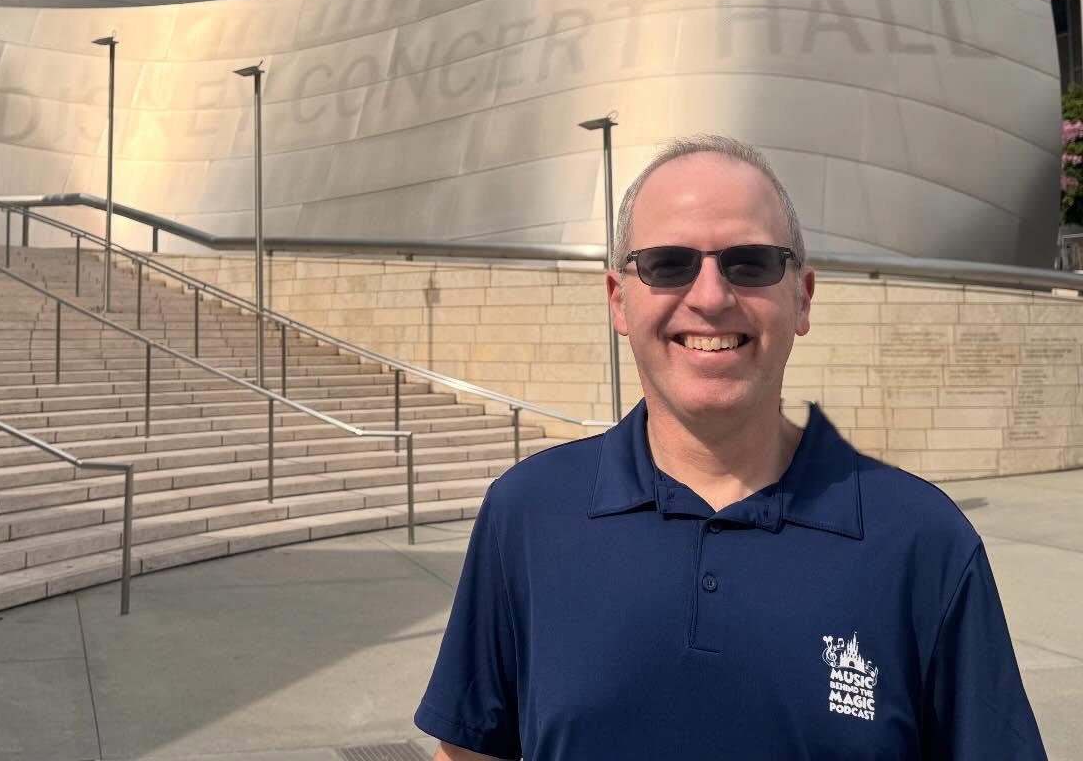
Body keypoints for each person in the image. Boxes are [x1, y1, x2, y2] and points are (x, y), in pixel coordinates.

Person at [415, 135, 1046, 760]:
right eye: (668, 263)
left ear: (801, 297)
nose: (711, 297)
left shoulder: (923, 541)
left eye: (750, 262)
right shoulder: (526, 516)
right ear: (618, 300)